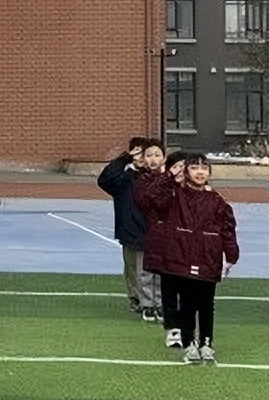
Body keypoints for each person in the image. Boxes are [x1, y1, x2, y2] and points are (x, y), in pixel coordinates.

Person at [135, 153, 238, 364]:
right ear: (186, 172)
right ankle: (189, 342)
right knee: (188, 303)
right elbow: (150, 199)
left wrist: (230, 256)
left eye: (204, 168)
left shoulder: (217, 201)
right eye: (194, 168)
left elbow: (228, 229)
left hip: (209, 259)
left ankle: (207, 343)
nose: (200, 172)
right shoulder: (174, 196)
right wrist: (168, 177)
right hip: (182, 257)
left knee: (207, 304)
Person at [97, 137, 164, 321]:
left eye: (151, 154)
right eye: (142, 153)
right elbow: (104, 180)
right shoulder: (125, 179)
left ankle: (152, 303)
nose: (146, 158)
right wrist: (125, 159)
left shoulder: (161, 179)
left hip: (154, 233)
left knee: (152, 270)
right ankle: (138, 299)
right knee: (133, 268)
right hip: (130, 230)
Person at [144, 148, 186, 347]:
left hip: (190, 249)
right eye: (176, 167)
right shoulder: (164, 190)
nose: (181, 171)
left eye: (185, 167)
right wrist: (168, 176)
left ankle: (189, 328)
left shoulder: (199, 192)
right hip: (168, 248)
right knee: (169, 290)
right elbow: (151, 195)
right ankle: (173, 329)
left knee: (190, 291)